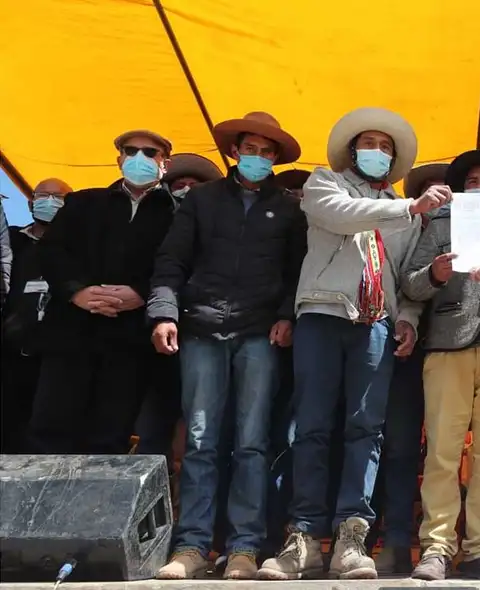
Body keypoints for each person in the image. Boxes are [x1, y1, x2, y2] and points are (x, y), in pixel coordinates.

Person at [260, 107, 444, 581]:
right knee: (313, 427)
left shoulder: (408, 213)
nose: (378, 153)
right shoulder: (326, 183)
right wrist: (409, 207)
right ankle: (302, 537)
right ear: (351, 150)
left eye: (386, 147)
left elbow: (404, 278)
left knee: (367, 430)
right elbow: (340, 215)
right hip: (322, 313)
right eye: (369, 144)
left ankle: (351, 537)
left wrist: (407, 319)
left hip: (375, 323)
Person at [151, 112, 307, 580]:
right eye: (250, 149)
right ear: (235, 151)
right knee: (199, 443)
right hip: (200, 328)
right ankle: (192, 548)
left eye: (267, 151)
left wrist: (286, 314)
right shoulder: (199, 200)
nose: (257, 157)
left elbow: (296, 270)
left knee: (253, 444)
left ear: (275, 158)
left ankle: (244, 548)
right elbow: (170, 261)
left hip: (260, 333)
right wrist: (163, 312)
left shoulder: (289, 207)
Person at [402, 150, 480, 581]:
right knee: (441, 452)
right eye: (471, 180)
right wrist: (436, 274)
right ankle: (436, 548)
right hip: (446, 346)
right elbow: (411, 284)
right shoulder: (440, 224)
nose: (479, 186)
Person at [29, 129, 176, 455]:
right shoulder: (83, 201)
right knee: (50, 432)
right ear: (119, 158)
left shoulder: (176, 214)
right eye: (131, 150)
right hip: (71, 337)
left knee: (110, 438)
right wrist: (77, 292)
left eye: (150, 152)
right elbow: (52, 252)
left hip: (129, 344)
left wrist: (141, 292)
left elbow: (178, 263)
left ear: (165, 162)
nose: (140, 158)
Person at [373, 161, 448, 576]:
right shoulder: (398, 227)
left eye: (446, 192)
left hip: (451, 351)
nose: (438, 198)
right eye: (429, 192)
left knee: (439, 452)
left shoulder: (468, 229)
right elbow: (400, 285)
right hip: (398, 346)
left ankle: (424, 541)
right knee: (394, 446)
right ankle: (391, 539)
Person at [135, 153, 224, 460]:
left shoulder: (222, 226)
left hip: (209, 334)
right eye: (180, 185)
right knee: (156, 423)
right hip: (160, 338)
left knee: (203, 426)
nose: (187, 190)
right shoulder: (154, 221)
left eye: (195, 185)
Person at [1, 179, 72, 453]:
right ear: (30, 203)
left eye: (59, 197)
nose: (50, 202)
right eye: (43, 196)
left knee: (45, 432)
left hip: (56, 357)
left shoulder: (79, 248)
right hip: (10, 353)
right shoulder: (12, 242)